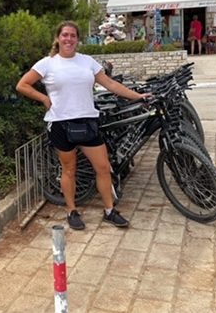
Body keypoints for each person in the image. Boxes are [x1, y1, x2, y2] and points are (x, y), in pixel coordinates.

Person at [16, 21, 150, 230]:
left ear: (78, 39)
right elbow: (22, 85)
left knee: (103, 168)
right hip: (60, 123)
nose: (68, 39)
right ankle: (72, 211)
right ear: (58, 38)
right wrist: (44, 99)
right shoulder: (47, 64)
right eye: (65, 35)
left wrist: (137, 96)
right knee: (69, 170)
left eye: (73, 35)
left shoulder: (87, 61)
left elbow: (110, 84)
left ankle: (109, 210)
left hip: (87, 122)